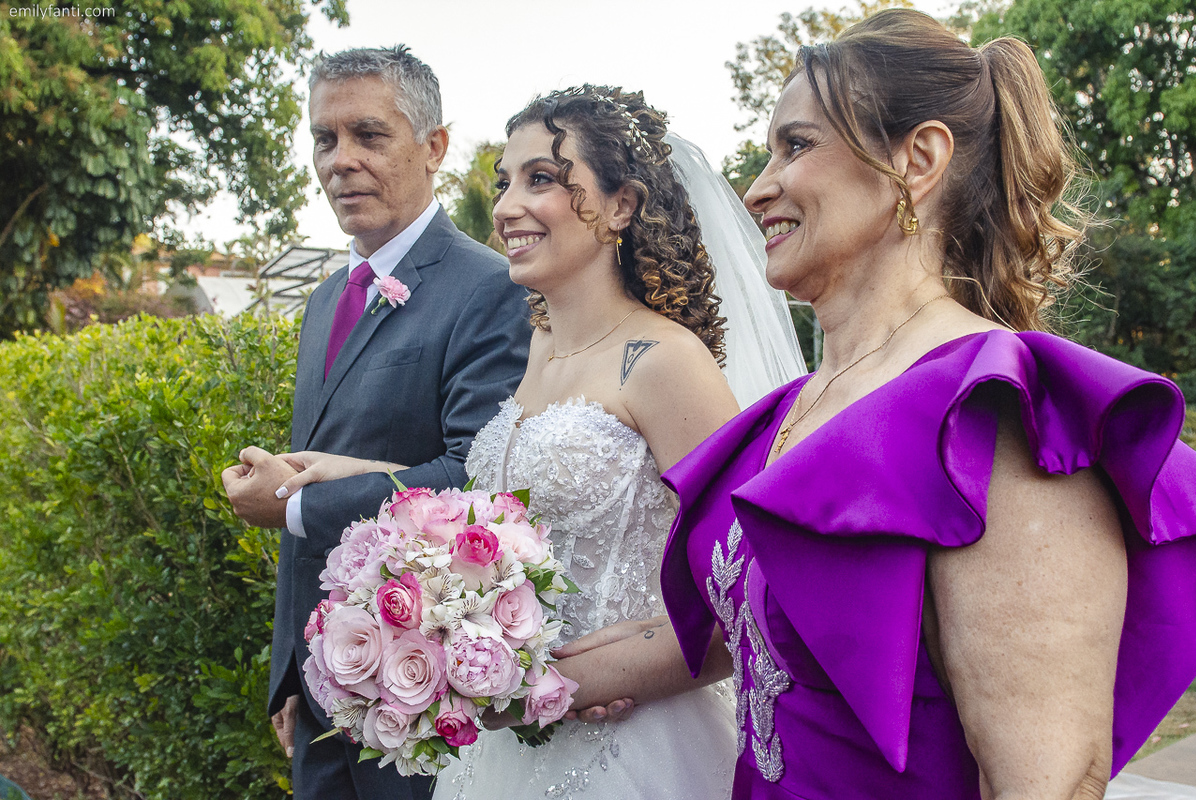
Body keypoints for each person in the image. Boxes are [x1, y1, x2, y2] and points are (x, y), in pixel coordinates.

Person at [659, 9, 1196, 800]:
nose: (757, 186)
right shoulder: (788, 412)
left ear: (918, 159)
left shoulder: (994, 416)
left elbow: (1043, 783)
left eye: (797, 146)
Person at [274, 85, 805, 799]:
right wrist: (363, 478)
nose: (506, 207)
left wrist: (585, 677)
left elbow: (754, 589)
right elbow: (508, 506)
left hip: (635, 747)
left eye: (543, 179)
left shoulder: (663, 361)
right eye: (505, 181)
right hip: (508, 749)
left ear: (622, 205)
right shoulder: (540, 348)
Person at [220, 46, 531, 800]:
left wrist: (294, 507)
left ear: (434, 147)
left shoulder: (491, 289)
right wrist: (292, 672)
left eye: (368, 135)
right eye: (324, 140)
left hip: (428, 699)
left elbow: (476, 478)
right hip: (326, 685)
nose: (340, 161)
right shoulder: (328, 298)